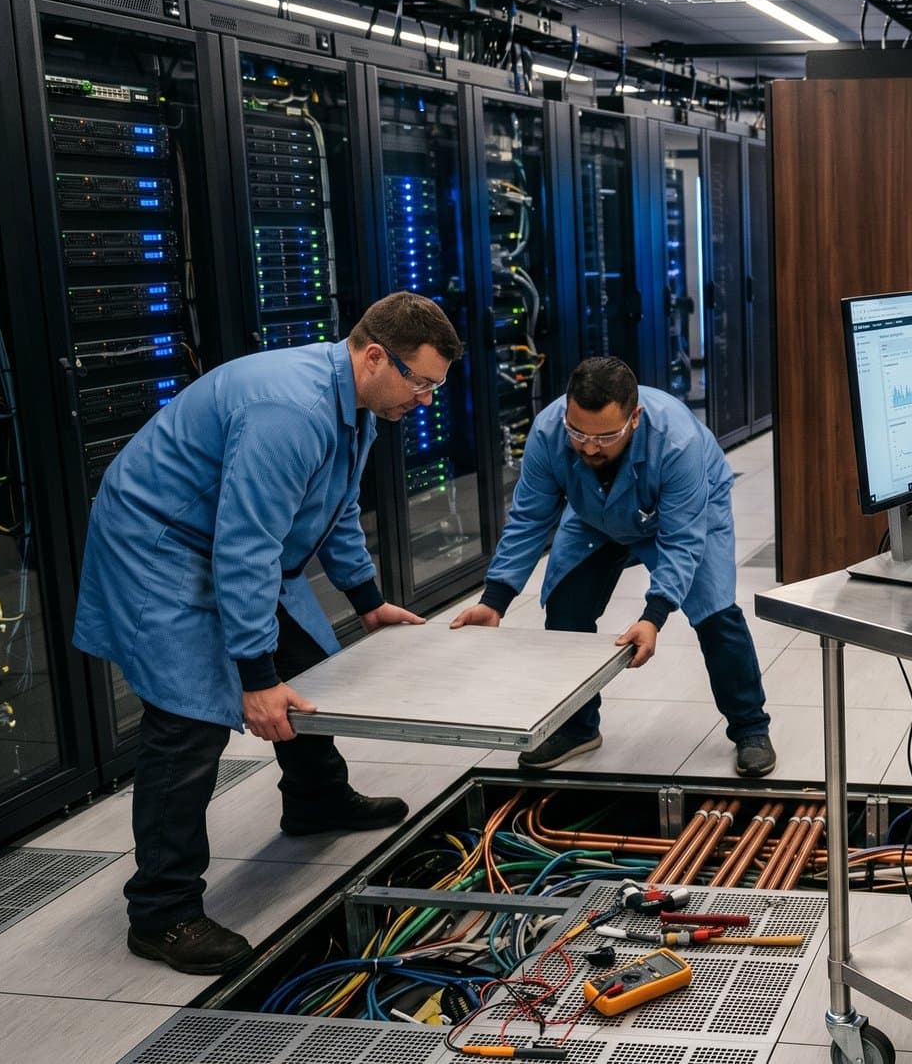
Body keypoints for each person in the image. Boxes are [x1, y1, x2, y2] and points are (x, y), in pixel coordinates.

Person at [74, 292, 459, 975]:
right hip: (159, 545)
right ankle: (161, 911)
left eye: (434, 385)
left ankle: (315, 798)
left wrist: (369, 603)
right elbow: (245, 547)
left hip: (217, 542)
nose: (426, 399)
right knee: (188, 721)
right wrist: (254, 678)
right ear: (375, 356)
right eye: (421, 381)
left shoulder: (358, 402)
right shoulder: (292, 410)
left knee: (307, 663)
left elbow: (334, 509)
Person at [450, 356, 774, 776]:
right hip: (595, 514)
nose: (587, 447)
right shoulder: (549, 433)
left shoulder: (677, 443)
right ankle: (578, 728)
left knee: (715, 613)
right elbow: (530, 518)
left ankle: (750, 727)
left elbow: (681, 541)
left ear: (634, 418)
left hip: (688, 512)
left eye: (604, 437)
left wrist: (653, 616)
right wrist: (496, 600)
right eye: (577, 432)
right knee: (566, 608)